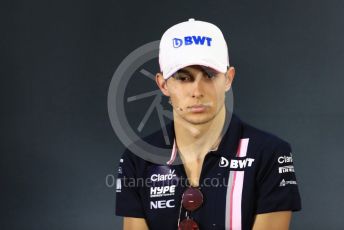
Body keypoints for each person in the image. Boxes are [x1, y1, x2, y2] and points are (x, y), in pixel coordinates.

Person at [115, 18, 301, 230]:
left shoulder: (269, 153)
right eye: (183, 78)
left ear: (228, 78)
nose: (197, 91)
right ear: (163, 84)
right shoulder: (138, 158)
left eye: (210, 75)